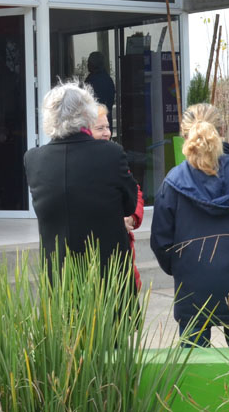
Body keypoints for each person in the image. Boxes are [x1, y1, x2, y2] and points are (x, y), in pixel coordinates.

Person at [151, 103, 229, 347]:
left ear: (184, 135)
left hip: (191, 287)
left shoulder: (173, 181)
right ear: (222, 130)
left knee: (192, 372)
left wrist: (180, 267)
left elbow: (161, 242)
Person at [25, 81, 137, 280]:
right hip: (108, 274)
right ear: (88, 115)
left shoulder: (33, 159)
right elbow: (130, 204)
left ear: (49, 117)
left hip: (59, 274)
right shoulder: (111, 153)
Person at [91, 103, 144, 290]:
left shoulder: (114, 156)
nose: (106, 133)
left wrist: (132, 217)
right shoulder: (81, 164)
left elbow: (134, 190)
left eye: (108, 127)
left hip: (123, 258)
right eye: (100, 128)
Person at [84, 52, 115, 125]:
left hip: (96, 120)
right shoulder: (107, 79)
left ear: (94, 64)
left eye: (89, 62)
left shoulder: (93, 80)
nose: (87, 65)